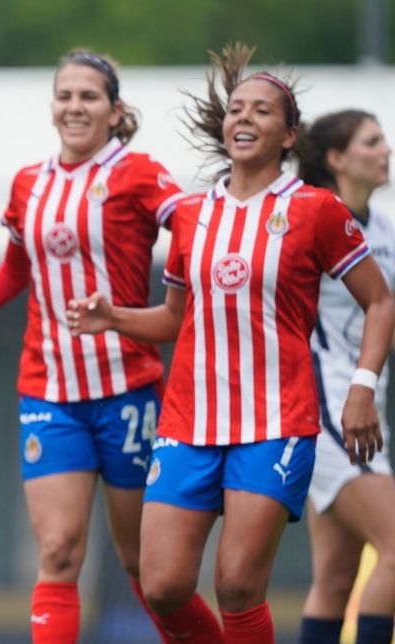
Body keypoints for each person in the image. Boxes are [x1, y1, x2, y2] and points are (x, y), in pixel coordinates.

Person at [67, 43, 395, 642]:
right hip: (188, 423)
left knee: (239, 585)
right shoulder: (191, 215)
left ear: (290, 135)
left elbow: (380, 300)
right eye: (236, 109)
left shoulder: (317, 211)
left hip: (276, 422)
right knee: (162, 585)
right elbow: (174, 320)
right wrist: (113, 317)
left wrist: (363, 389)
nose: (244, 118)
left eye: (262, 111)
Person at [0, 48, 183, 642]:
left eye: (89, 97)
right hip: (50, 390)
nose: (75, 106)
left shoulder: (138, 173)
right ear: (52, 107)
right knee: (59, 550)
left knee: (149, 566)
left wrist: (178, 302)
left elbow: (193, 229)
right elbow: (16, 270)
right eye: (65, 96)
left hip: (127, 389)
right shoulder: (29, 183)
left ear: (115, 112)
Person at [295, 110, 395, 644]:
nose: (386, 151)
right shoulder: (313, 218)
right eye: (373, 141)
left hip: (364, 410)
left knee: (334, 579)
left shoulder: (382, 227)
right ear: (336, 159)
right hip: (329, 408)